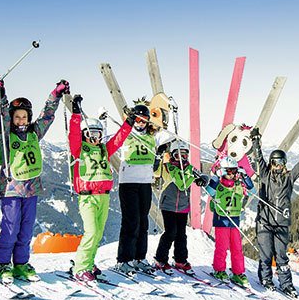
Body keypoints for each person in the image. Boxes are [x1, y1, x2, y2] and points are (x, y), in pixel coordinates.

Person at [0, 77, 68, 283]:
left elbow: (47, 116)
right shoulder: (7, 134)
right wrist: (0, 95)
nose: (21, 120)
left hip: (31, 188)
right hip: (11, 189)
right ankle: (3, 264)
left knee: (26, 229)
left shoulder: (34, 132)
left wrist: (56, 95)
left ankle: (21, 264)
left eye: (24, 117)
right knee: (10, 227)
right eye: (17, 117)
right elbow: (3, 114)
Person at [67, 95, 134, 282]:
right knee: (91, 232)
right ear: (84, 135)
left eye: (97, 135)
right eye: (90, 135)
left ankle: (89, 262)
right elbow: (73, 133)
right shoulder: (79, 149)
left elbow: (119, 139)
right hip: (87, 197)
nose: (94, 138)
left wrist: (129, 122)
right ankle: (80, 267)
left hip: (103, 197)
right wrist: (76, 113)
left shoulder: (104, 149)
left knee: (98, 233)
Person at [248, 128, 299, 297]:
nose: (278, 166)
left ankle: (286, 284)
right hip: (265, 221)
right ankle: (266, 279)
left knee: (282, 256)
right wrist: (255, 141)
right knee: (266, 254)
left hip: (282, 223)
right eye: (275, 163)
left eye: (281, 163)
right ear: (271, 163)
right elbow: (258, 158)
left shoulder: (289, 178)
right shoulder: (265, 175)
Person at [114, 103, 172, 275]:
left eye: (144, 120)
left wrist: (168, 116)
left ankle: (139, 257)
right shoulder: (127, 134)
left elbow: (168, 135)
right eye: (137, 120)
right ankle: (124, 259)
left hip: (145, 183)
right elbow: (110, 140)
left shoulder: (151, 136)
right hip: (128, 183)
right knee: (131, 221)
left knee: (143, 221)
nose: (140, 124)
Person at [152, 140, 206, 274]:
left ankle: (180, 259)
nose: (182, 159)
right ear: (172, 156)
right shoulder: (167, 167)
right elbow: (154, 171)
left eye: (184, 156)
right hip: (168, 205)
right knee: (170, 232)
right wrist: (159, 154)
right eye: (178, 156)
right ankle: (160, 259)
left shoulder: (189, 169)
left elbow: (202, 175)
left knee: (181, 234)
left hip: (183, 205)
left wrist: (202, 179)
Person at [206, 156, 255, 288]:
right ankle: (219, 269)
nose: (232, 174)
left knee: (237, 248)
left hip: (234, 220)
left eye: (234, 171)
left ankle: (238, 272)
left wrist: (245, 177)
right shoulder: (219, 185)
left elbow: (252, 191)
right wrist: (216, 176)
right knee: (222, 247)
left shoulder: (238, 184)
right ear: (222, 171)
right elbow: (208, 191)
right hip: (221, 220)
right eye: (228, 171)